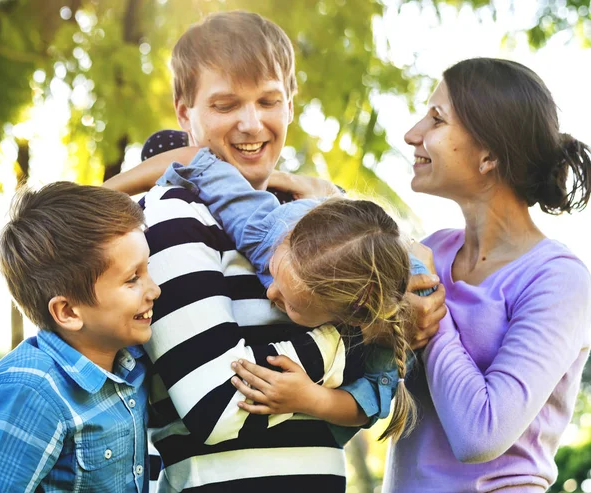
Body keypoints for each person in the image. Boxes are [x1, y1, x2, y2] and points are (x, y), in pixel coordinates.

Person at [104, 11, 446, 493]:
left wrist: (407, 285)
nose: (251, 123)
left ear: (290, 103)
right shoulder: (171, 215)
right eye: (225, 105)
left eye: (268, 100)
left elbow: (404, 275)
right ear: (185, 113)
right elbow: (219, 406)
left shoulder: (319, 222)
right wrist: (368, 323)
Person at [379, 58, 591, 492]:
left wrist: (432, 320)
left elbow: (481, 433)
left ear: (489, 155)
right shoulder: (433, 248)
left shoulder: (557, 280)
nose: (412, 134)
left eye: (436, 120)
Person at [0, 182, 161, 492]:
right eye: (132, 279)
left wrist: (279, 181)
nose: (155, 290)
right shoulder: (32, 392)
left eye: (147, 269)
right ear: (68, 312)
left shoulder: (131, 362)